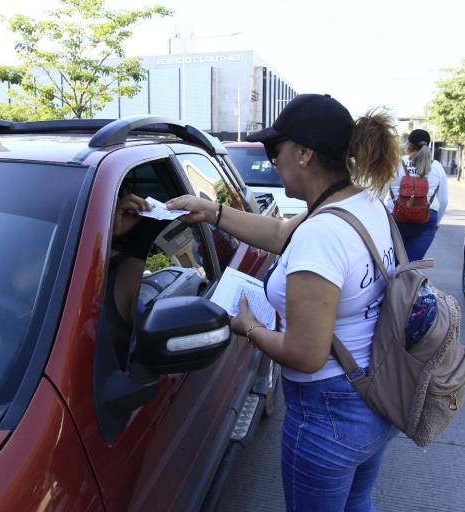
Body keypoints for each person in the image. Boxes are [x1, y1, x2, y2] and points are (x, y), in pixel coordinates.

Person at [166, 93, 400, 511]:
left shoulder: (322, 234)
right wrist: (211, 211)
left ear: (305, 154)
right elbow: (279, 235)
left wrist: (248, 327)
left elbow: (304, 355)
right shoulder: (359, 203)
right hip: (376, 392)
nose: (273, 160)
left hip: (328, 412)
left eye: (276, 150)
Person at [386, 129, 449, 261]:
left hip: (396, 219)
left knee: (391, 265)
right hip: (426, 220)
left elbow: (380, 194)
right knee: (410, 266)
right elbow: (443, 200)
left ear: (408, 145)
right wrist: (435, 223)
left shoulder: (395, 164)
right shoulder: (436, 166)